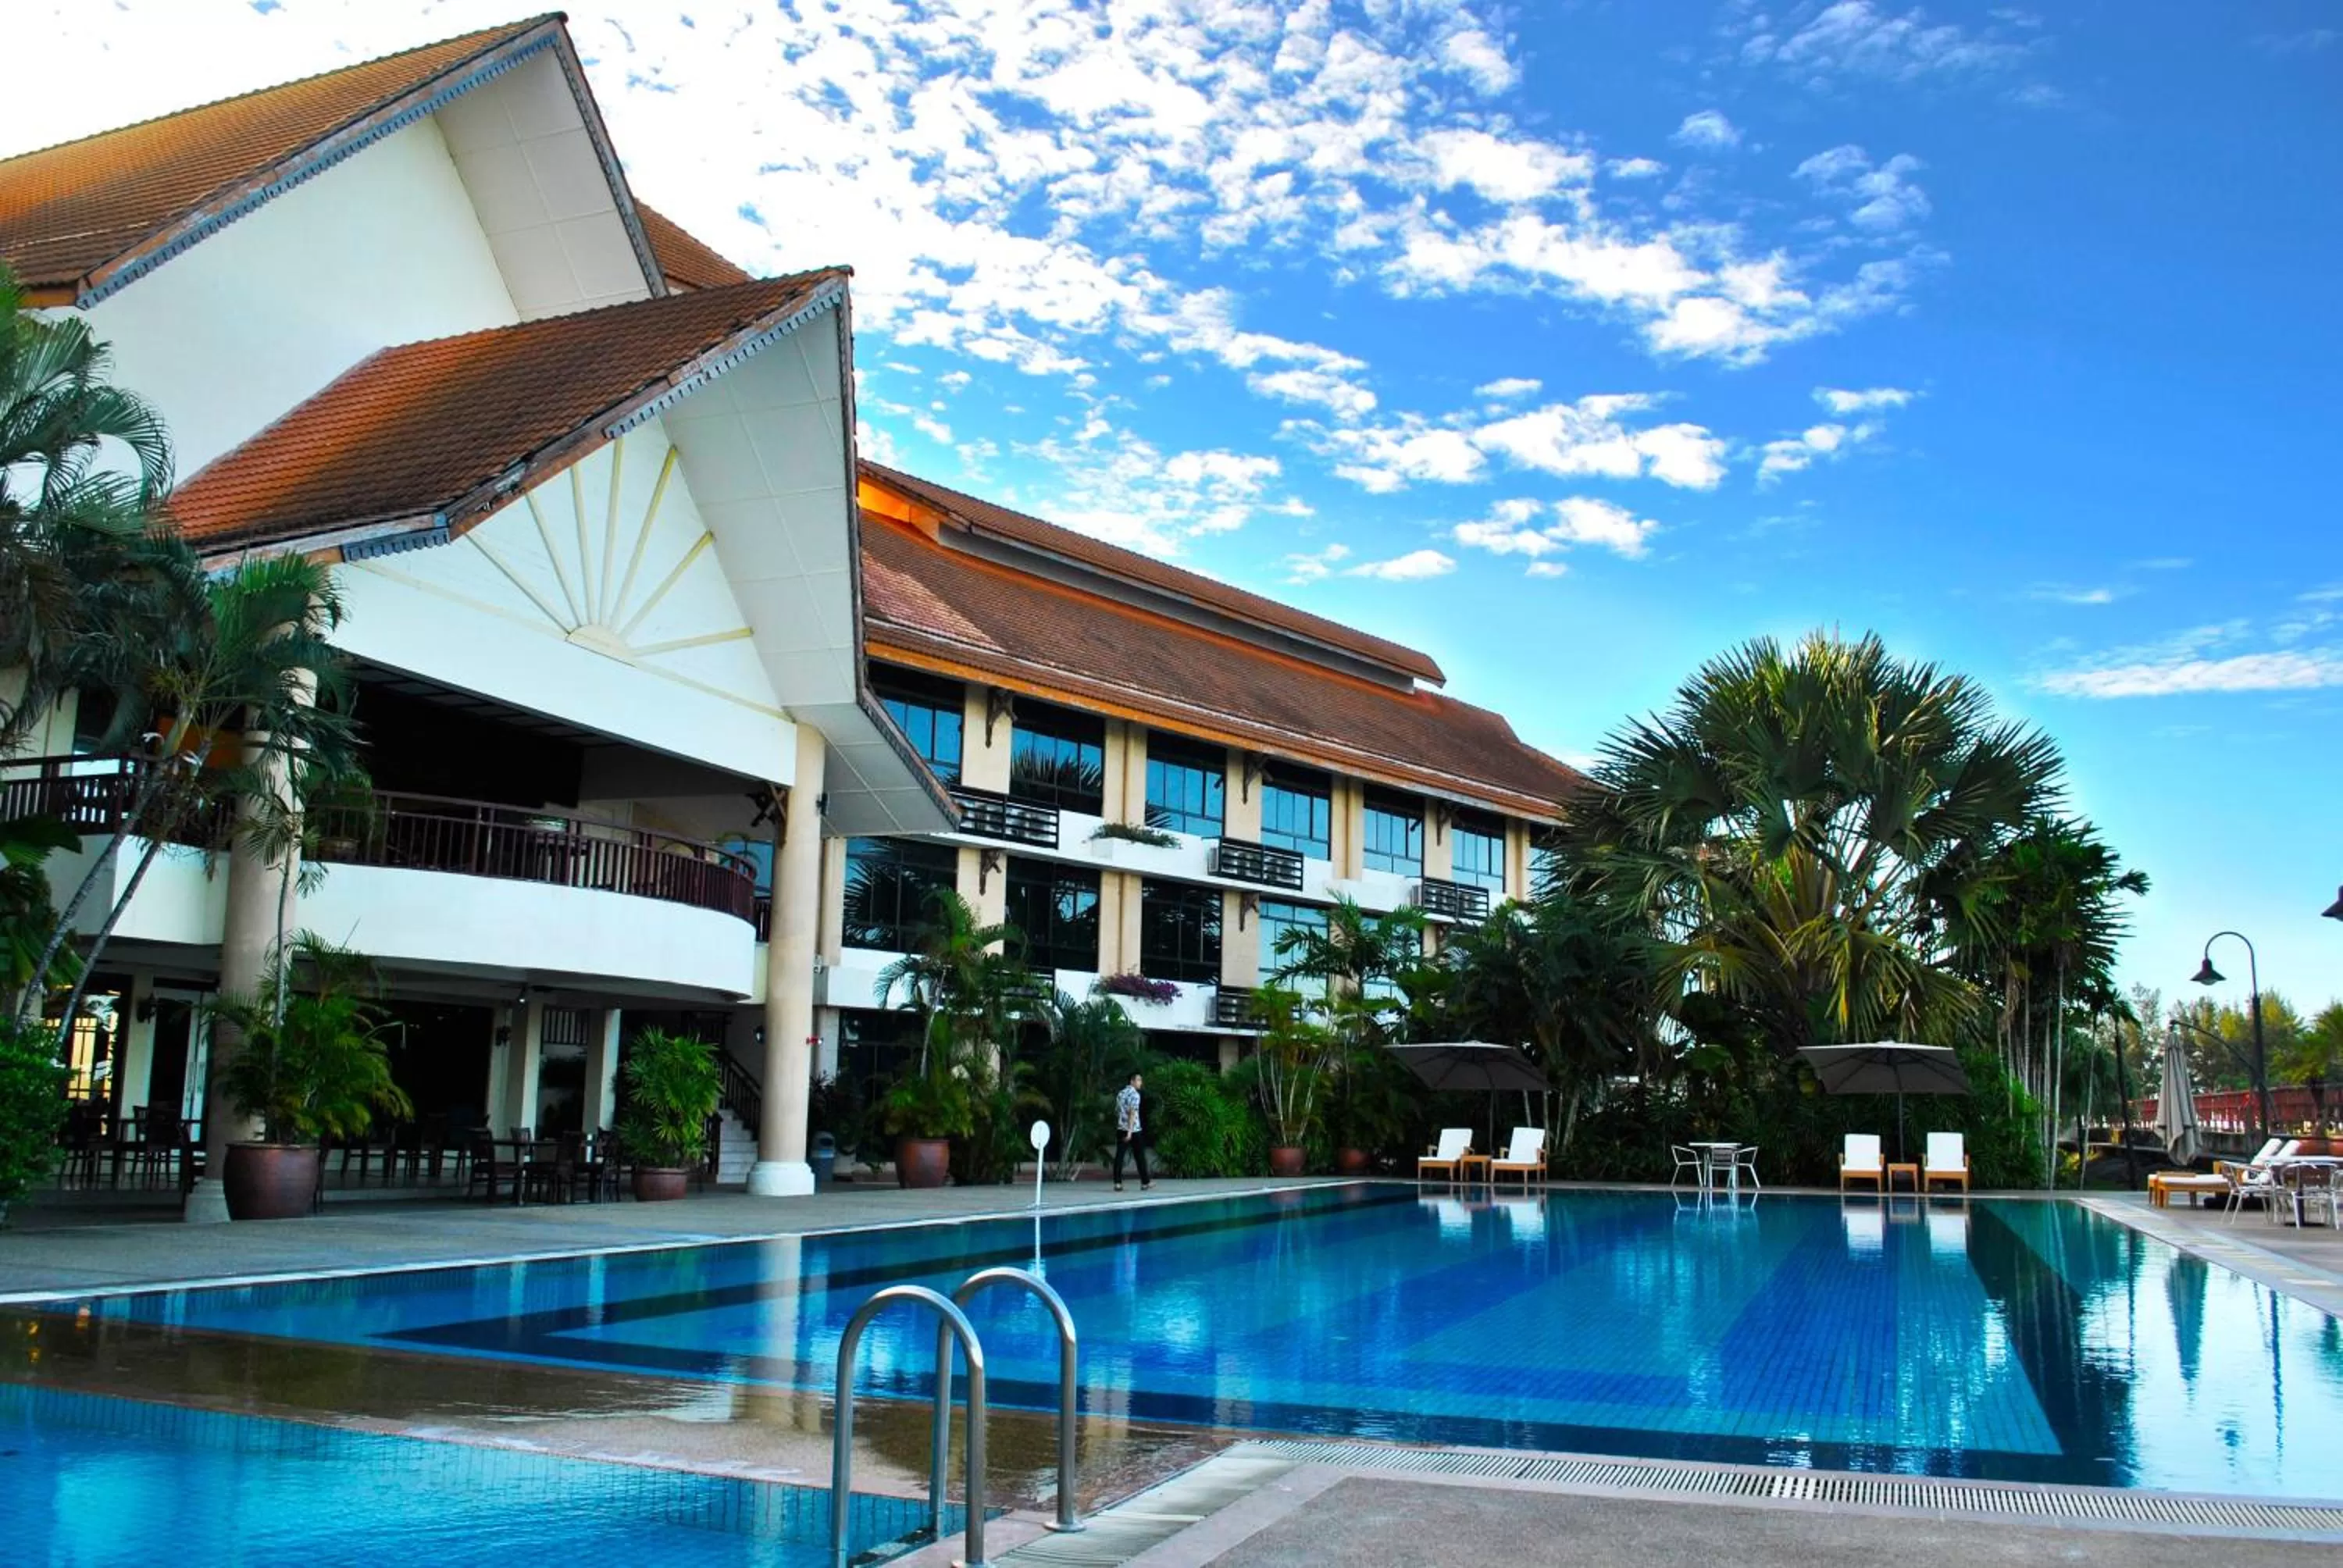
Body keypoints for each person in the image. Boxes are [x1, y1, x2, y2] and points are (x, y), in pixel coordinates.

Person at [1112, 1071, 1151, 1192]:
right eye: (1139, 1080)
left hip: (1121, 1128)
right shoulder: (1135, 1095)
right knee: (1140, 1156)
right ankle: (1145, 1183)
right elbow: (1132, 1113)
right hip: (1133, 1130)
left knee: (1119, 1156)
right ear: (1132, 1081)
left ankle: (1117, 1183)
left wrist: (1122, 1126)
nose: (1141, 1083)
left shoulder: (1121, 1093)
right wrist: (1129, 1132)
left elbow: (1118, 1111)